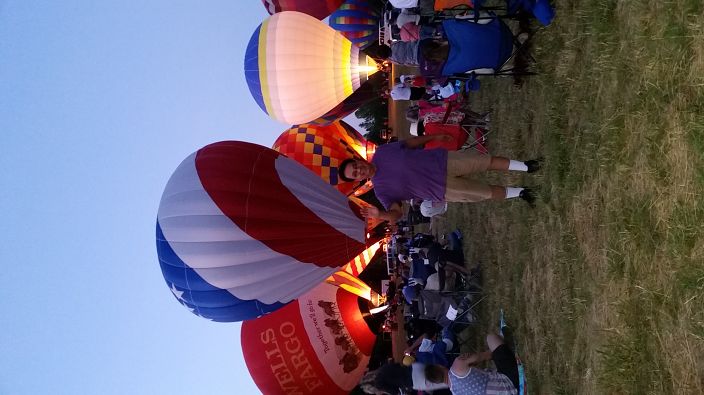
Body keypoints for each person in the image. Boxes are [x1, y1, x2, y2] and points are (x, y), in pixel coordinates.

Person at [337, 137, 541, 222]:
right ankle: (521, 192)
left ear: (358, 160)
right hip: (443, 190)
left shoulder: (382, 152)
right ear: (359, 180)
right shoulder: (382, 190)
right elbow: (396, 214)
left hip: (444, 160)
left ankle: (526, 165)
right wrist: (380, 215)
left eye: (355, 166)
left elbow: (410, 143)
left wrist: (435, 136)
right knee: (486, 192)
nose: (359, 170)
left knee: (486, 162)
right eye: (355, 174)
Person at [424, 334, 519, 395]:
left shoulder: (455, 393)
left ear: (438, 382)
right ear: (439, 366)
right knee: (491, 338)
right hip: (511, 382)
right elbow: (488, 355)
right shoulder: (457, 365)